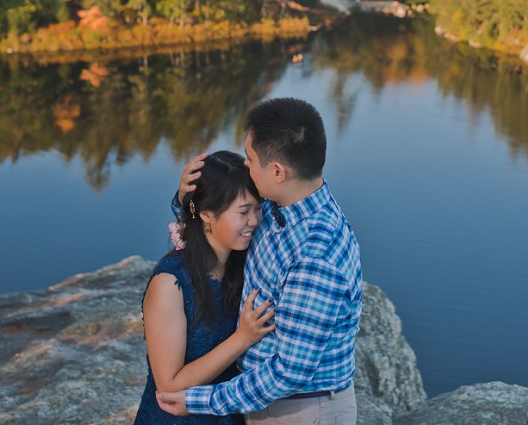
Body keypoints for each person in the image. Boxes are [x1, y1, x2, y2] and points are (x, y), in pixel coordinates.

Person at [157, 97, 362, 425]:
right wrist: (187, 198)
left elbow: (289, 372)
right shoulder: (276, 206)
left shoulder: (316, 255)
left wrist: (199, 400)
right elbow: (223, 219)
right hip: (266, 402)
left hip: (302, 409)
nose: (246, 167)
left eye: (250, 160)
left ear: (277, 171)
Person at [135, 151, 277, 425]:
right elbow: (169, 385)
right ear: (207, 214)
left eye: (258, 208)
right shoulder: (170, 284)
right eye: (244, 211)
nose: (255, 220)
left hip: (229, 413)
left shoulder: (245, 262)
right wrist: (242, 339)